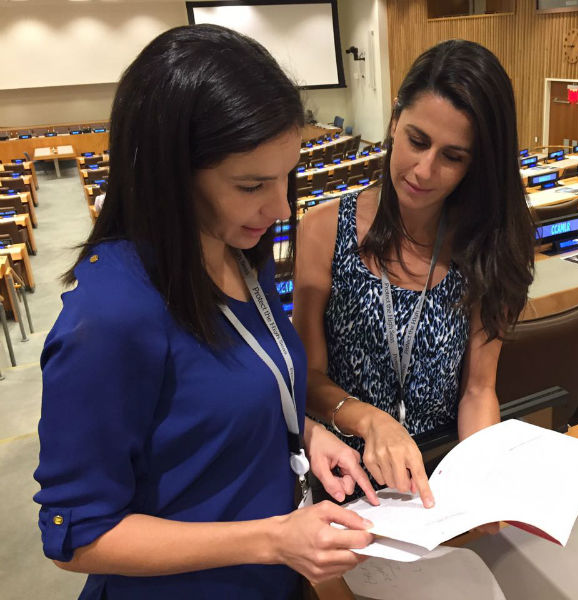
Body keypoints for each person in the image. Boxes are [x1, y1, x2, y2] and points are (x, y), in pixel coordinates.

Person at [33, 24, 378, 600]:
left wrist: (303, 431)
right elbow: (79, 536)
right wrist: (272, 540)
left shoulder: (239, 249)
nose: (279, 206)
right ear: (169, 177)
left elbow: (214, 403)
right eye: (251, 185)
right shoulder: (111, 317)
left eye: (286, 176)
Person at [293, 40, 536, 509]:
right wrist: (370, 420)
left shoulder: (486, 243)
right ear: (393, 123)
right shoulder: (324, 229)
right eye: (417, 141)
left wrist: (481, 481)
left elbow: (479, 390)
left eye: (453, 157)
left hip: (440, 471)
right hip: (348, 473)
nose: (424, 171)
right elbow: (309, 379)